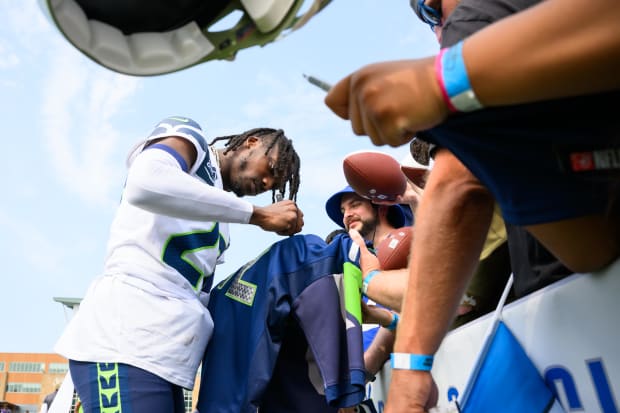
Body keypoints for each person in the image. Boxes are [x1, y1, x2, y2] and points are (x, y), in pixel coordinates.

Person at [324, 0, 620, 411]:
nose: (437, 32)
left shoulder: (475, 20)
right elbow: (589, 248)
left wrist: (444, 81)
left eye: (430, 17)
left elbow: (459, 189)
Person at [54, 116, 304, 413]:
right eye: (272, 169)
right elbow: (145, 182)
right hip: (124, 337)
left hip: (167, 355)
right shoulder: (192, 140)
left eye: (272, 186)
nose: (265, 183)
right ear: (251, 143)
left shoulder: (222, 219)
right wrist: (258, 215)